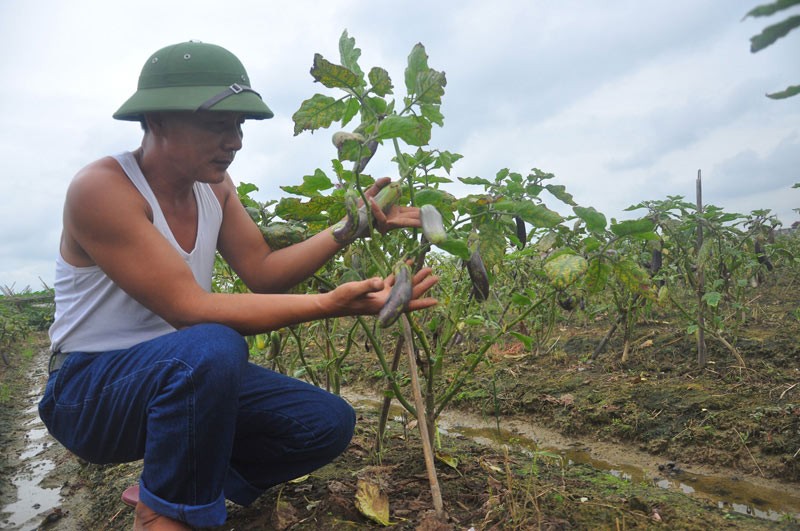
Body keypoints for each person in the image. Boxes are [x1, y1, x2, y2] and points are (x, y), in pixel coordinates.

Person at [38, 40, 438, 530]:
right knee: (211, 344)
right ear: (157, 121)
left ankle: (169, 481)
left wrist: (349, 227)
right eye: (218, 124)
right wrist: (329, 304)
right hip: (88, 392)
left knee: (324, 423)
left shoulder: (215, 190)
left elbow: (264, 271)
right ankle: (165, 515)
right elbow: (190, 309)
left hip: (182, 375)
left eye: (239, 125)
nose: (236, 141)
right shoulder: (102, 189)